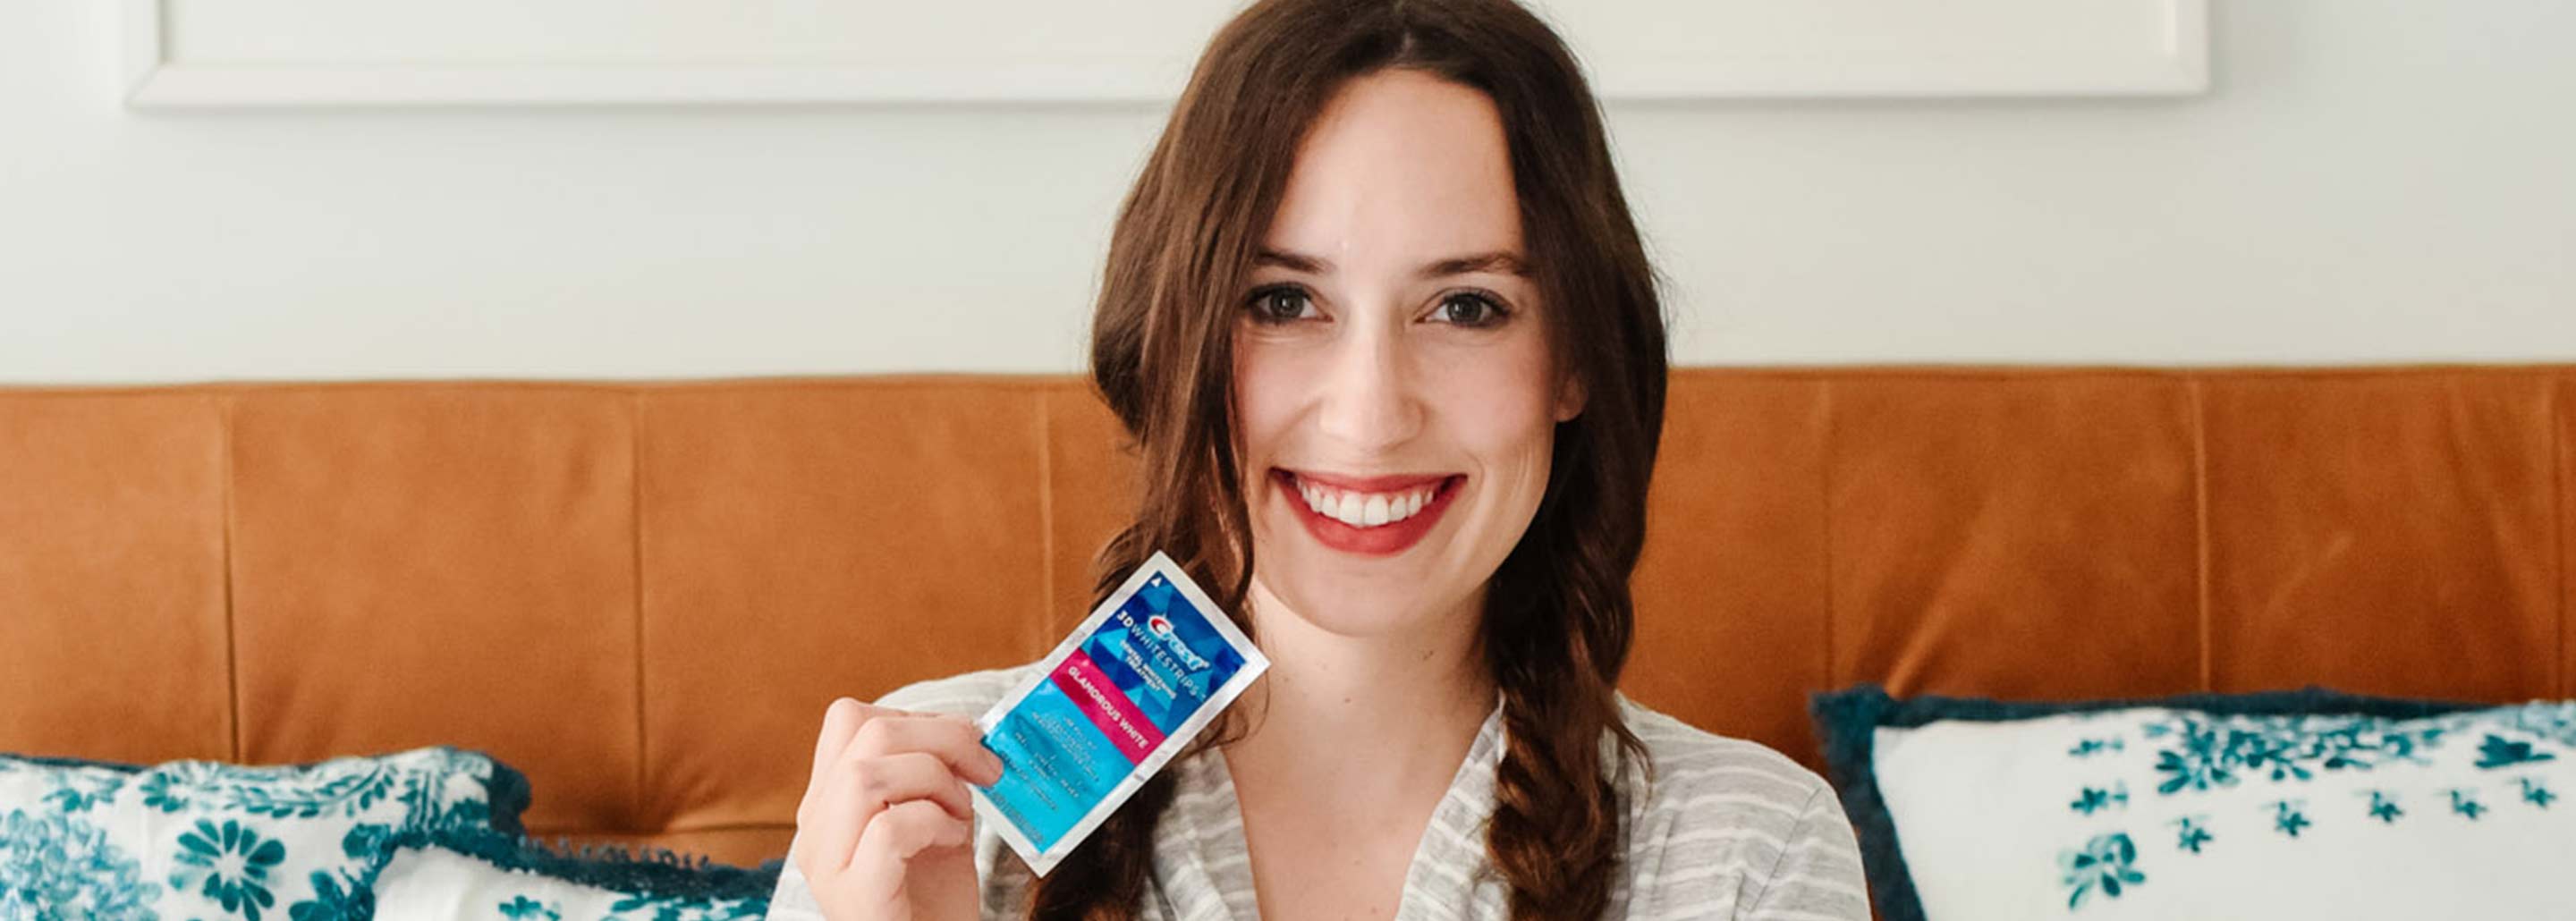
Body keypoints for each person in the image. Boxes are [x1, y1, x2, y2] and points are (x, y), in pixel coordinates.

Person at [769, 1, 1869, 918]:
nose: (1372, 414)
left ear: (1573, 360)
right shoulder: (922, 818)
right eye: (1284, 302)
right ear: (1175, 338)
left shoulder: (1747, 856)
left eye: (1467, 306)